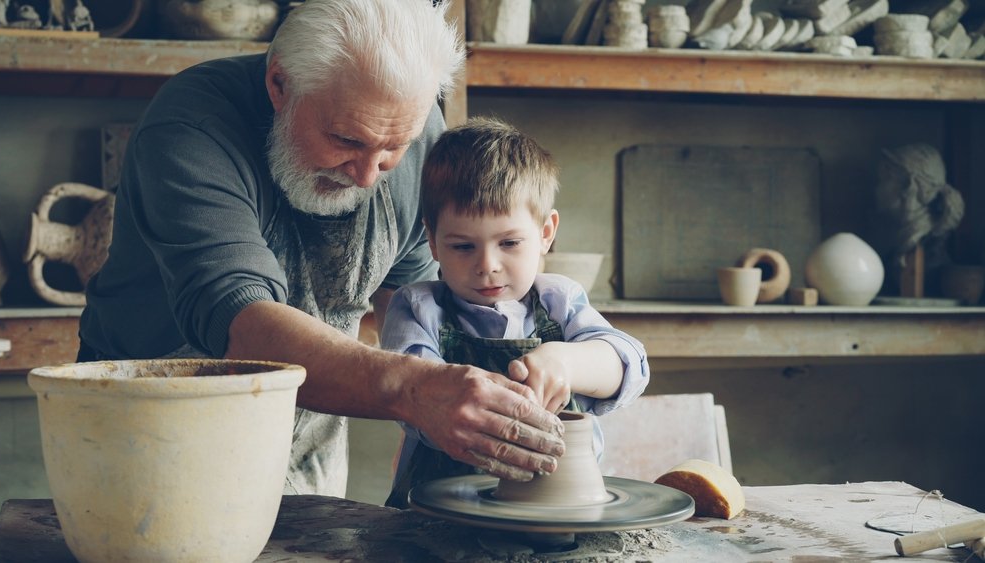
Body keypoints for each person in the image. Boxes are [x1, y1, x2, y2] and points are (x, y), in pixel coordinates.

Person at [78, 0, 566, 498]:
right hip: (153, 439)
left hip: (312, 442)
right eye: (346, 139)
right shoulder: (192, 128)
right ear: (279, 85)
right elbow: (244, 330)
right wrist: (414, 392)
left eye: (395, 147)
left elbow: (415, 305)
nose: (368, 174)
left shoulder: (420, 142)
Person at [380, 117, 650, 508]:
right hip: (438, 516)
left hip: (557, 510)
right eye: (462, 247)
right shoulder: (419, 308)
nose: (487, 264)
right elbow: (413, 396)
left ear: (545, 234)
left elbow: (631, 367)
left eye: (509, 242)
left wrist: (567, 362)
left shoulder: (558, 301)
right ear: (433, 242)